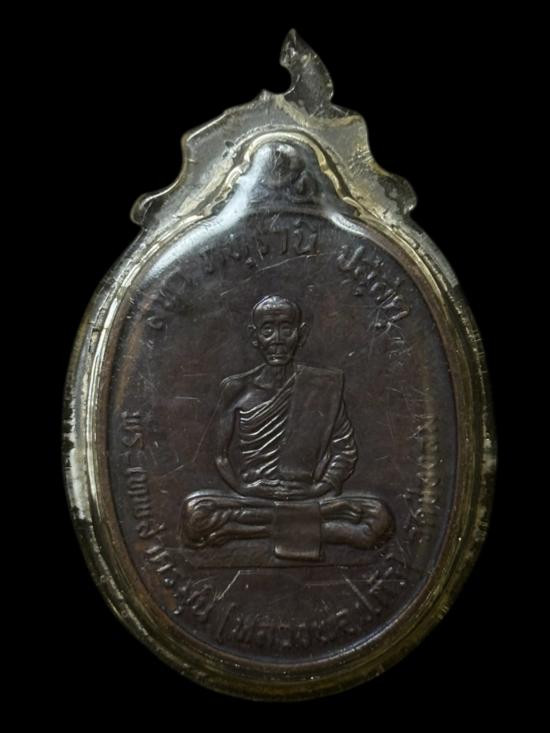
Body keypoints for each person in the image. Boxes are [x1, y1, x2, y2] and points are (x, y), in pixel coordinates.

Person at [181, 295, 392, 560]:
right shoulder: (236, 388)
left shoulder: (322, 386)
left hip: (307, 496)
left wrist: (319, 489)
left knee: (378, 518)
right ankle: (312, 523)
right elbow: (221, 456)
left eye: (286, 329)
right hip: (255, 497)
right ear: (254, 336)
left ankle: (246, 530)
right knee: (196, 515)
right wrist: (245, 489)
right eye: (268, 330)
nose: (277, 339)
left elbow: (344, 451)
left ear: (300, 334)